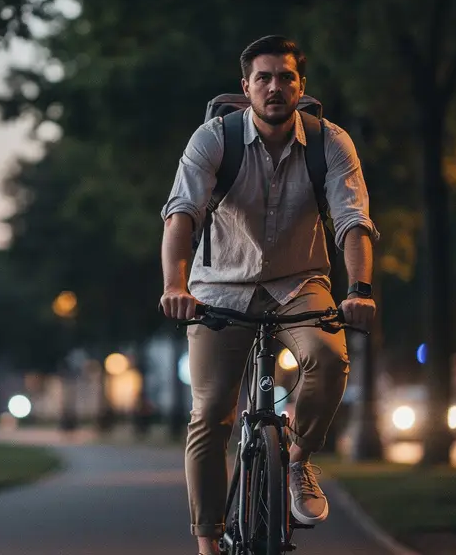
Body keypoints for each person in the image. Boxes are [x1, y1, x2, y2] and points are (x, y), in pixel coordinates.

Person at [158, 35, 379, 555]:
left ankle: (298, 461)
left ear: (301, 87)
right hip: (220, 291)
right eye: (264, 78)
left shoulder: (331, 143)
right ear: (246, 87)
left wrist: (361, 289)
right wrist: (174, 285)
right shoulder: (213, 140)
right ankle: (208, 541)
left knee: (328, 357)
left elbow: (352, 220)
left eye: (286, 77)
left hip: (300, 284)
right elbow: (181, 213)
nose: (275, 87)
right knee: (210, 414)